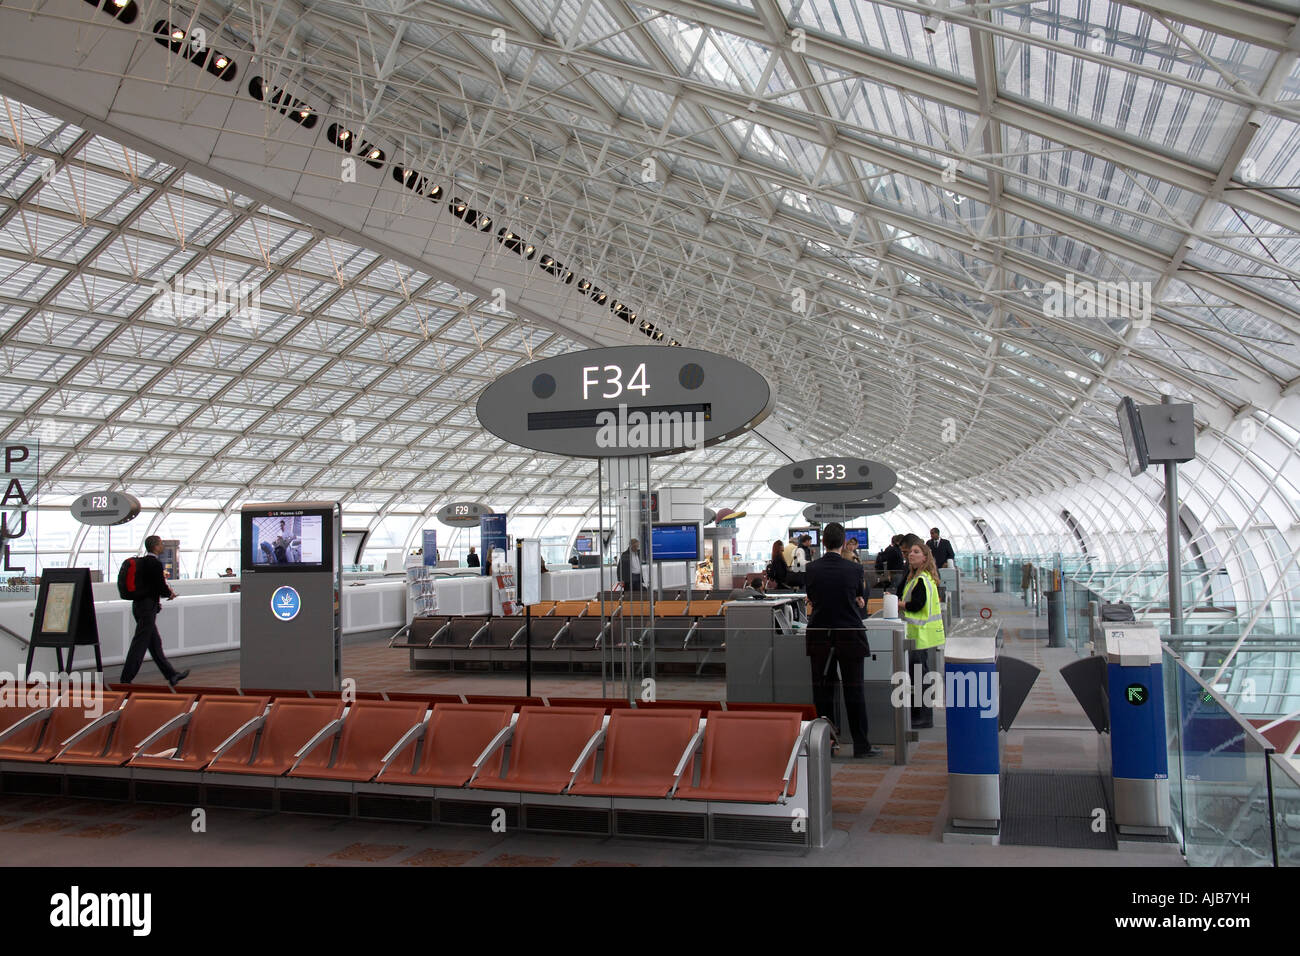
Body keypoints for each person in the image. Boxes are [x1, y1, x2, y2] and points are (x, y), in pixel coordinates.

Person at [803, 523, 880, 758]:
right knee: (854, 690)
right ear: (844, 541)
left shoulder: (812, 569)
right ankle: (861, 744)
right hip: (849, 634)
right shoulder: (854, 569)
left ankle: (828, 743)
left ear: (823, 542)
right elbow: (858, 596)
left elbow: (812, 597)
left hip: (820, 634)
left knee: (823, 691)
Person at [121, 535, 189, 687]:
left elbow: (150, 585)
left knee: (154, 643)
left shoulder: (142, 562)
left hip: (138, 606)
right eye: (161, 544)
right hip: (147, 607)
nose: (162, 546)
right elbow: (159, 585)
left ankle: (171, 675)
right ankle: (125, 679)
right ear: (156, 546)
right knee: (140, 643)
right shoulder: (155, 564)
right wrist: (169, 593)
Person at [901, 534, 946, 729]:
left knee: (920, 677)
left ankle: (923, 716)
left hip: (919, 634)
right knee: (919, 675)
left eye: (916, 552)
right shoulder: (919, 578)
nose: (911, 555)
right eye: (910, 552)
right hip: (920, 634)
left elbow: (917, 605)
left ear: (925, 558)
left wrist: (899, 604)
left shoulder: (922, 580)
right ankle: (920, 714)